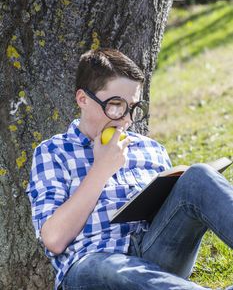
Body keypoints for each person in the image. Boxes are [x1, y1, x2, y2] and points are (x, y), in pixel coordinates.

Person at [26, 48, 233, 290]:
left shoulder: (151, 149)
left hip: (155, 256)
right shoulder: (53, 152)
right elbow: (54, 240)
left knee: (198, 176)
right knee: (104, 266)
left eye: (133, 107)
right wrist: (101, 169)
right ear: (83, 99)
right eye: (115, 105)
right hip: (92, 267)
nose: (126, 120)